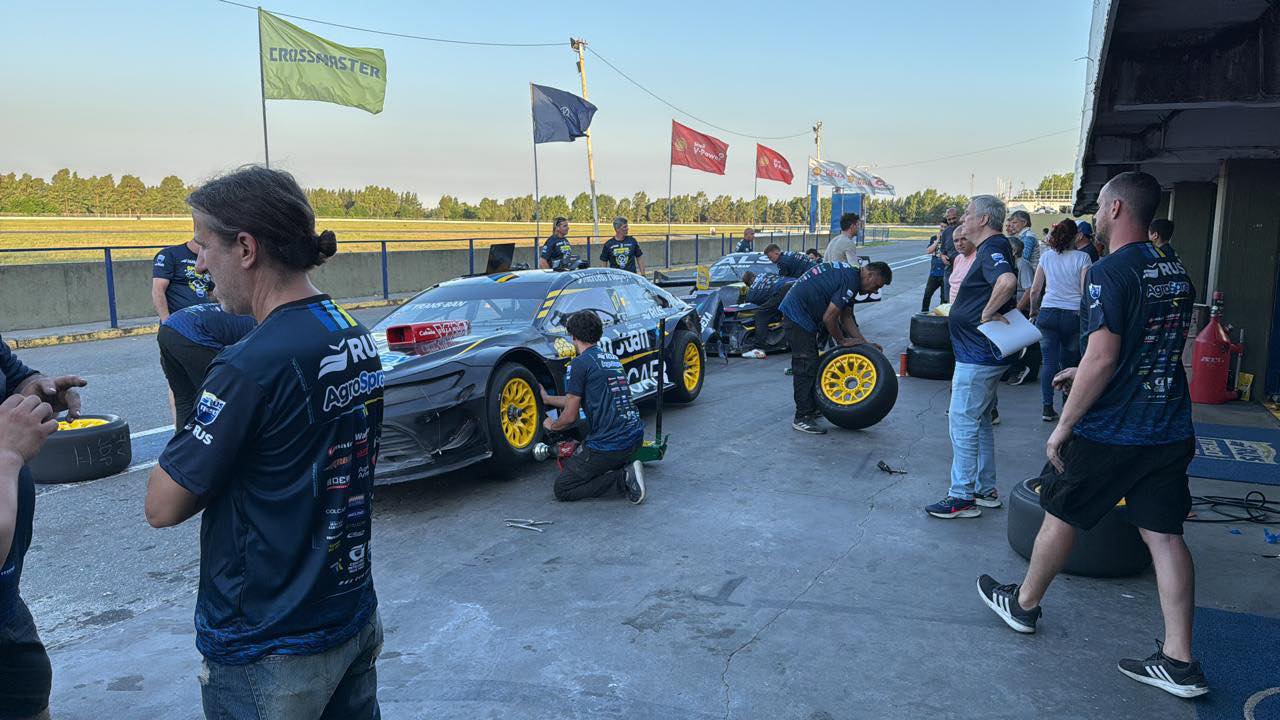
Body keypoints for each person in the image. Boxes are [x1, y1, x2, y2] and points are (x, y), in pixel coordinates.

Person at [144, 166, 384, 718]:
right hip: (349, 611)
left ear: (246, 248)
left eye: (204, 246)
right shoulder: (351, 330)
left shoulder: (249, 365)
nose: (198, 264)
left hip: (266, 643)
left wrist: (192, 400)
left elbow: (161, 505)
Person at [977, 171, 1209, 699]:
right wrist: (1080, 370)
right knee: (1166, 536)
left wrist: (1064, 424)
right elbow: (1153, 347)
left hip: (1114, 429)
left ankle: (1024, 605)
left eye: (1103, 207)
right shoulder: (1174, 269)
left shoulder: (1107, 271)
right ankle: (1180, 660)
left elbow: (1106, 355)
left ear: (1120, 208)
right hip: (1169, 424)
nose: (1098, 215)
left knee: (1060, 512)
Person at [0, 340, 86, 720]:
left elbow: (16, 376)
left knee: (29, 693)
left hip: (6, 604)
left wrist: (36, 392)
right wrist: (7, 454)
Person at [925, 196, 1017, 519]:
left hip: (977, 355)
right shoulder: (993, 247)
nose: (963, 218)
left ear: (984, 220)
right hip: (980, 353)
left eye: (968, 213)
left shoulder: (992, 248)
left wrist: (987, 312)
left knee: (962, 420)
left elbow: (1007, 282)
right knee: (978, 421)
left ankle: (961, 495)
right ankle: (984, 488)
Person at [540, 310, 647, 504]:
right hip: (635, 437)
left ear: (573, 336)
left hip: (611, 445)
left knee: (563, 488)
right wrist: (548, 399)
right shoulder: (611, 359)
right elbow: (575, 398)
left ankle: (622, 479)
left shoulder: (580, 363)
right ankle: (619, 465)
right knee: (584, 432)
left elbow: (570, 415)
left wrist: (551, 426)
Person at [778, 261, 892, 434]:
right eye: (876, 286)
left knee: (812, 362)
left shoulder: (851, 277)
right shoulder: (851, 280)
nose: (874, 291)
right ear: (869, 275)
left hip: (803, 314)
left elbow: (846, 317)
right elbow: (829, 318)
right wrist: (842, 341)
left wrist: (864, 344)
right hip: (797, 315)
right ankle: (802, 417)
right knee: (805, 364)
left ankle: (810, 407)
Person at [1028, 219, 1091, 421]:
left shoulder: (1046, 258)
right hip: (1073, 316)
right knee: (1070, 362)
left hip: (1047, 314)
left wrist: (1033, 311)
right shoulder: (1083, 258)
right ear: (1076, 236)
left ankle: (1047, 407)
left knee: (1049, 362)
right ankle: (1067, 407)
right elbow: (1084, 292)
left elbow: (1035, 290)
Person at [157, 302, 257, 427]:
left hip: (167, 328)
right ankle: (219, 438)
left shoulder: (240, 314)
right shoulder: (259, 324)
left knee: (184, 397)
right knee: (221, 393)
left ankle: (182, 441)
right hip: (192, 334)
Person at [1005, 210, 1043, 387]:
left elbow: (1029, 288)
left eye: (1015, 222)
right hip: (1023, 298)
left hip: (1026, 299)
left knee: (1025, 338)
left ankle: (1025, 368)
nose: (1011, 225)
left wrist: (1019, 308)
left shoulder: (1027, 240)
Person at [152, 233, 215, 320]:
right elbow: (158, 290)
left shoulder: (210, 259)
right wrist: (166, 321)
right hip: (178, 320)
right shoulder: (170, 255)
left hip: (203, 321)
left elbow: (212, 293)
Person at [738, 270, 795, 359]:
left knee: (760, 314)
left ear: (748, 284)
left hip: (785, 289)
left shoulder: (753, 291)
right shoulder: (765, 274)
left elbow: (756, 307)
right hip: (798, 283)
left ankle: (759, 348)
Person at [938, 207, 961, 302]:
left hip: (963, 269)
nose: (951, 221)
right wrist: (942, 256)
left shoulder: (967, 230)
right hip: (949, 270)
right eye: (949, 219)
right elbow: (942, 251)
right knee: (948, 298)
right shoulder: (946, 233)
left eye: (954, 218)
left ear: (959, 217)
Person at [921, 234, 946, 312]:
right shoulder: (934, 238)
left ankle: (943, 315)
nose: (942, 229)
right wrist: (937, 240)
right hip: (934, 273)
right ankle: (924, 312)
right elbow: (929, 251)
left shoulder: (949, 237)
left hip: (945, 273)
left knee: (944, 298)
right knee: (927, 294)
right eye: (941, 227)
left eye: (945, 227)